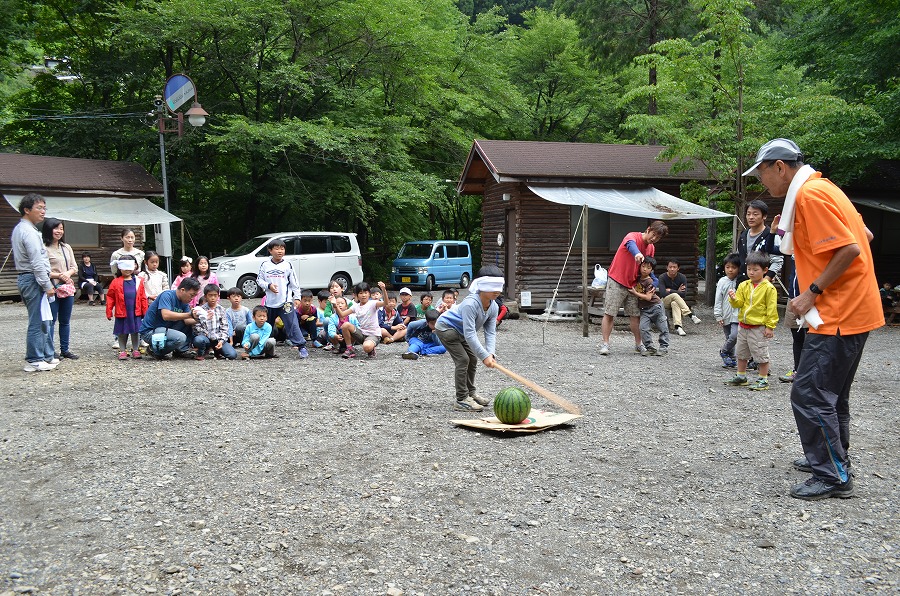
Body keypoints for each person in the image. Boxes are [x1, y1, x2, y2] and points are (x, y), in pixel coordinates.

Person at [744, 137, 883, 500]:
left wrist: (812, 292)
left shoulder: (809, 196)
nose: (762, 184)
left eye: (762, 175)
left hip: (837, 312)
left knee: (808, 392)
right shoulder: (824, 188)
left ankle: (833, 475)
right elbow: (864, 234)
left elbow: (850, 248)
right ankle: (834, 459)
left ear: (780, 166)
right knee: (831, 395)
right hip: (855, 308)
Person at [434, 265, 502, 412]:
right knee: (463, 360)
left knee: (473, 359)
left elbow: (490, 332)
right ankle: (461, 399)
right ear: (482, 285)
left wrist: (490, 353)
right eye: (492, 286)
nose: (497, 290)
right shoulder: (470, 304)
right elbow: (470, 333)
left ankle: (471, 393)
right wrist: (484, 355)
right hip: (446, 328)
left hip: (462, 331)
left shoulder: (494, 306)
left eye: (499, 286)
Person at [599, 221, 669, 356]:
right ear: (648, 229)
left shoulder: (651, 248)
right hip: (617, 280)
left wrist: (653, 283)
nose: (654, 239)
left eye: (658, 238)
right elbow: (631, 245)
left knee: (635, 315)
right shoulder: (632, 236)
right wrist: (637, 253)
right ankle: (605, 344)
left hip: (634, 285)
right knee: (610, 313)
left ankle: (639, 344)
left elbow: (649, 268)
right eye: (653, 235)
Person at [12, 193, 57, 372]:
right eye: (39, 208)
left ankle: (44, 355)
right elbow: (37, 262)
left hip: (31, 277)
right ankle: (34, 359)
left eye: (44, 208)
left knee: (44, 318)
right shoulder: (27, 231)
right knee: (37, 320)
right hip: (32, 278)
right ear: (26, 209)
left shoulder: (26, 229)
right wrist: (47, 285)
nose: (43, 212)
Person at [724, 251, 779, 391]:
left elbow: (771, 309)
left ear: (765, 270)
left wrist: (770, 326)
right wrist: (733, 298)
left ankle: (763, 379)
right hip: (744, 325)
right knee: (741, 353)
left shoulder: (769, 288)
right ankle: (741, 376)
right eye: (749, 269)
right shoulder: (744, 285)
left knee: (760, 353)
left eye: (755, 270)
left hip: (758, 326)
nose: (751, 272)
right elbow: (739, 304)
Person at [257, 238, 308, 358]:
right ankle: (260, 348)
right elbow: (259, 280)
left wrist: (297, 297)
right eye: (277, 248)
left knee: (292, 324)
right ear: (270, 250)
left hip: (286, 302)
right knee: (266, 325)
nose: (280, 251)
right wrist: (268, 286)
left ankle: (301, 347)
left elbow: (294, 282)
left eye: (282, 248)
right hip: (269, 302)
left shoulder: (288, 265)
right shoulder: (265, 265)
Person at [138, 277, 203, 359]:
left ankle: (181, 350)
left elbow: (187, 321)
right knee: (180, 338)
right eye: (192, 295)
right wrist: (189, 314)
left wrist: (200, 318)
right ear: (182, 290)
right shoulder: (167, 295)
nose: (192, 298)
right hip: (150, 331)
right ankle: (154, 350)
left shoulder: (184, 302)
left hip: (164, 328)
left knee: (186, 324)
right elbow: (166, 315)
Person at [42, 218, 79, 360]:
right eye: (56, 228)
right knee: (51, 320)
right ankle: (50, 351)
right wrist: (59, 275)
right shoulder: (43, 248)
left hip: (66, 288)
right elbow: (42, 270)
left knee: (65, 320)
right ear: (49, 229)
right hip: (51, 288)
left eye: (61, 228)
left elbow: (74, 267)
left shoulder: (66, 247)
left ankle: (65, 349)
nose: (59, 231)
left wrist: (67, 274)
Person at [106, 254, 148, 360]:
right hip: (122, 312)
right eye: (125, 267)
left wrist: (145, 312)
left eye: (130, 267)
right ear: (120, 267)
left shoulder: (139, 281)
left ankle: (135, 349)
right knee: (122, 331)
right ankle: (122, 350)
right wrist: (109, 310)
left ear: (134, 266)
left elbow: (143, 297)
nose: (127, 270)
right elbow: (110, 297)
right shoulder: (115, 282)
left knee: (136, 331)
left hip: (135, 311)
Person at [332, 281, 386, 359]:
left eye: (365, 292)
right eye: (360, 293)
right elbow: (342, 315)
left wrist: (383, 289)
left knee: (366, 347)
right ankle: (350, 349)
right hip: (361, 333)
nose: (363, 295)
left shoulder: (373, 303)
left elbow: (386, 303)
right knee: (345, 325)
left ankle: (371, 348)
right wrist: (335, 305)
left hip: (373, 334)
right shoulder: (356, 306)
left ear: (369, 294)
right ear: (356, 295)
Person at [628, 257, 669, 356]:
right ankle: (650, 347)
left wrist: (635, 293)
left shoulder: (649, 281)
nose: (645, 269)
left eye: (648, 268)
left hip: (656, 307)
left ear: (651, 270)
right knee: (643, 328)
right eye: (643, 266)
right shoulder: (638, 278)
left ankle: (664, 348)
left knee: (663, 327)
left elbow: (648, 297)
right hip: (645, 309)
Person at [737, 200, 782, 282]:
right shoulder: (743, 235)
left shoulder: (771, 235)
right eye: (748, 214)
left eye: (755, 214)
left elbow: (777, 260)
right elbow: (740, 258)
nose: (751, 217)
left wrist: (766, 279)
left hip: (761, 283)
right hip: (742, 283)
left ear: (764, 216)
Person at [192, 284, 237, 360]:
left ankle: (217, 351)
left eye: (215, 295)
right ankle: (202, 351)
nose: (213, 298)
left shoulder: (222, 309)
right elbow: (196, 327)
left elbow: (225, 327)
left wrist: (221, 341)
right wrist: (207, 334)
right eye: (210, 295)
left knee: (232, 355)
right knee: (198, 340)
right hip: (206, 338)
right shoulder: (201, 310)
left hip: (218, 338)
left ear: (218, 296)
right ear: (205, 296)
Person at [658, 258, 701, 336]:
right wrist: (677, 291)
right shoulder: (662, 277)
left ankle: (678, 327)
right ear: (667, 268)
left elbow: (684, 295)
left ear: (678, 268)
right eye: (670, 267)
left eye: (674, 267)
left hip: (676, 301)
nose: (672, 269)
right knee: (675, 295)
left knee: (675, 303)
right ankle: (690, 315)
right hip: (664, 301)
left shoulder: (682, 277)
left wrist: (670, 290)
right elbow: (663, 293)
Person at [713, 253, 741, 368]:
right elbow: (718, 299)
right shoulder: (722, 281)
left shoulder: (741, 281)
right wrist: (718, 315)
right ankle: (731, 359)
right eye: (727, 267)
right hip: (725, 314)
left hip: (737, 314)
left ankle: (723, 351)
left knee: (734, 335)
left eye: (733, 267)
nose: (730, 270)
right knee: (729, 336)